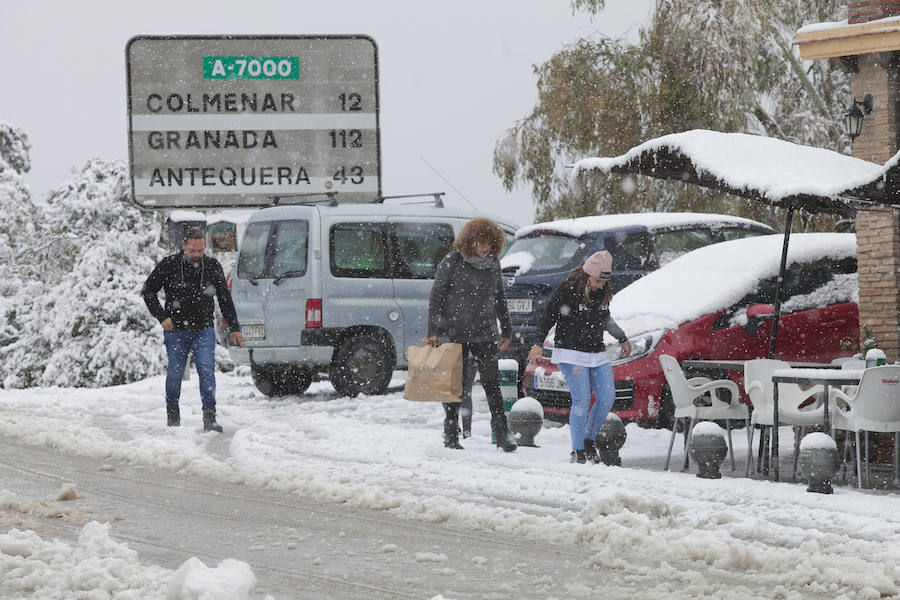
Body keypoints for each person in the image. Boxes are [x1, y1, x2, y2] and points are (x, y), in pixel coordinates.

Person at [526, 251, 631, 463]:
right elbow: (548, 317)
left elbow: (605, 318)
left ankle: (588, 441)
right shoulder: (567, 290)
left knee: (607, 398)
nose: (599, 285)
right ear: (587, 275)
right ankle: (578, 451)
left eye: (603, 281)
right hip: (570, 352)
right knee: (581, 400)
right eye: (596, 280)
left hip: (596, 352)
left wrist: (621, 337)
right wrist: (537, 343)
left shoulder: (602, 292)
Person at [422, 218, 517, 452]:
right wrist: (434, 332)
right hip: (455, 333)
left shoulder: (493, 264)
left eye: (489, 243)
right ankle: (451, 434)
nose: (485, 248)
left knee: (491, 384)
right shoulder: (452, 261)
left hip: (485, 333)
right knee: (456, 386)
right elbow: (436, 297)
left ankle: (502, 436)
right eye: (481, 242)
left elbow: (499, 298)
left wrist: (507, 329)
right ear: (469, 241)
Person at [141, 227, 243, 432]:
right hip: (176, 330)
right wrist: (162, 317)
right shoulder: (169, 265)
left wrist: (234, 326)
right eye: (193, 250)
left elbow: (224, 297)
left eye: (201, 250)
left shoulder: (212, 266)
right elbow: (148, 291)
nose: (197, 255)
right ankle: (173, 416)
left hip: (204, 329)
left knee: (206, 371)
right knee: (175, 374)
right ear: (184, 246)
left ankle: (210, 418)